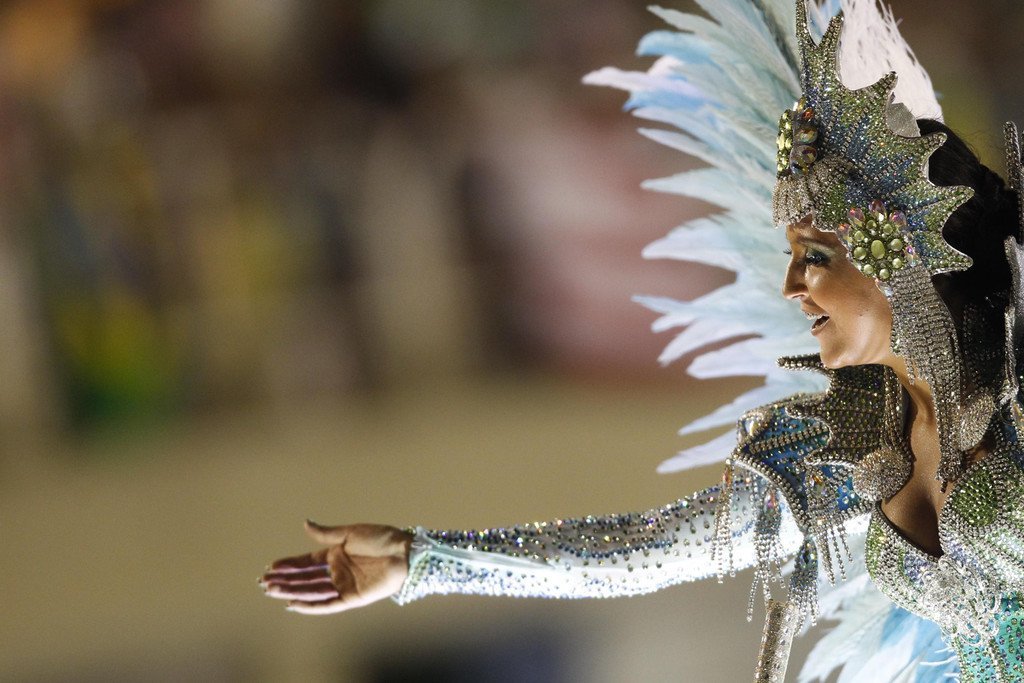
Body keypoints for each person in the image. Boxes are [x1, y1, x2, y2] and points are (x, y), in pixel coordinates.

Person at [261, 1, 1024, 680]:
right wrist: (425, 560)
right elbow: (642, 550)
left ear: (897, 249)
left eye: (816, 256)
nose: (792, 285)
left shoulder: (1014, 395)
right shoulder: (856, 442)